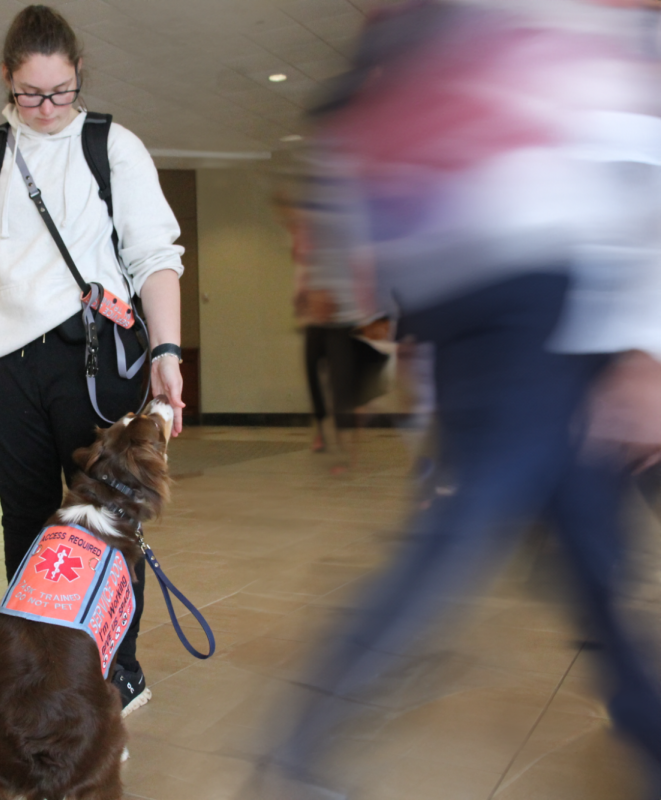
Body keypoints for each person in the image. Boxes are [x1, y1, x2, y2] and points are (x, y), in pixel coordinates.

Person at [252, 1, 661, 796]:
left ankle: (647, 732)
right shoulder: (429, 33)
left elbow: (633, 139)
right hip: (517, 293)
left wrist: (643, 342)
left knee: (586, 553)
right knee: (468, 529)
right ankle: (298, 756)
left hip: (548, 289)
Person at [0, 5, 185, 714]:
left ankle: (116, 667)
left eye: (61, 92)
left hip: (90, 359)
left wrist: (166, 350)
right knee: (25, 519)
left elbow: (155, 255)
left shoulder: (113, 147)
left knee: (106, 516)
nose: (46, 109)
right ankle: (42, 662)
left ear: (78, 78)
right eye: (30, 94)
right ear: (7, 83)